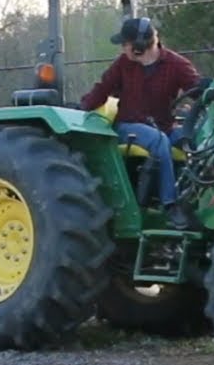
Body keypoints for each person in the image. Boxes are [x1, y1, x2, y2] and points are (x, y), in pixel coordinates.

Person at [79, 16, 201, 229]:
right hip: (128, 126)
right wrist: (81, 109)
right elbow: (102, 89)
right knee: (158, 141)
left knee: (197, 141)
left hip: (164, 126)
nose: (122, 49)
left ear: (138, 47)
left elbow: (199, 91)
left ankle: (199, 203)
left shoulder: (177, 65)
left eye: (125, 44)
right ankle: (170, 206)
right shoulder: (122, 65)